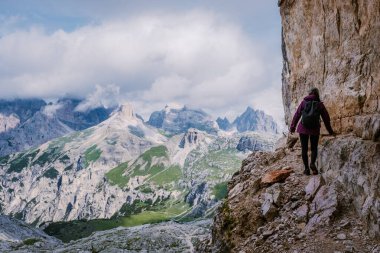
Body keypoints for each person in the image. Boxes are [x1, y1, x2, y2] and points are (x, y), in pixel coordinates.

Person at [290, 87, 334, 175]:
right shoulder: (319, 104)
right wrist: (330, 131)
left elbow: (297, 115)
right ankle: (312, 164)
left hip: (303, 128)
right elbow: (326, 118)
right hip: (315, 129)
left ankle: (306, 169)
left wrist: (292, 127)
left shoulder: (303, 102)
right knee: (314, 148)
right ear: (317, 94)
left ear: (309, 94)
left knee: (304, 149)